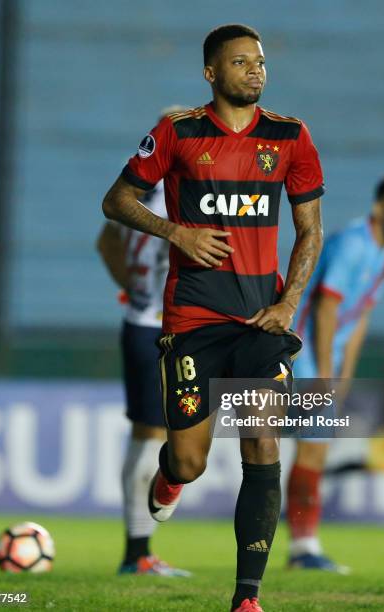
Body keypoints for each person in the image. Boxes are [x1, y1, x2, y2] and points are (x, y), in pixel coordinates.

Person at [102, 23, 324, 612]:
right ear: (211, 72)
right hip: (193, 322)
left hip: (260, 325)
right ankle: (171, 474)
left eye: (260, 61)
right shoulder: (177, 134)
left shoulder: (291, 136)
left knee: (262, 441)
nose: (255, 70)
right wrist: (176, 231)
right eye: (240, 62)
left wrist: (287, 304)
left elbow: (309, 231)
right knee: (191, 460)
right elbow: (116, 200)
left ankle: (247, 596)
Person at [286, 175, 384, 571]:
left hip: (325, 358)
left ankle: (303, 546)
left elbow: (361, 313)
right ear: (380, 208)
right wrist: (326, 372)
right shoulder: (352, 244)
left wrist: (346, 370)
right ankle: (303, 548)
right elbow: (326, 309)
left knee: (310, 449)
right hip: (304, 353)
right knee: (309, 448)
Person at [97, 106, 191, 576]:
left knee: (149, 435)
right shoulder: (174, 200)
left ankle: (137, 551)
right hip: (160, 328)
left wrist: (128, 287)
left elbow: (104, 241)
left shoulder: (136, 194)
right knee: (155, 435)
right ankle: (137, 553)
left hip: (141, 319)